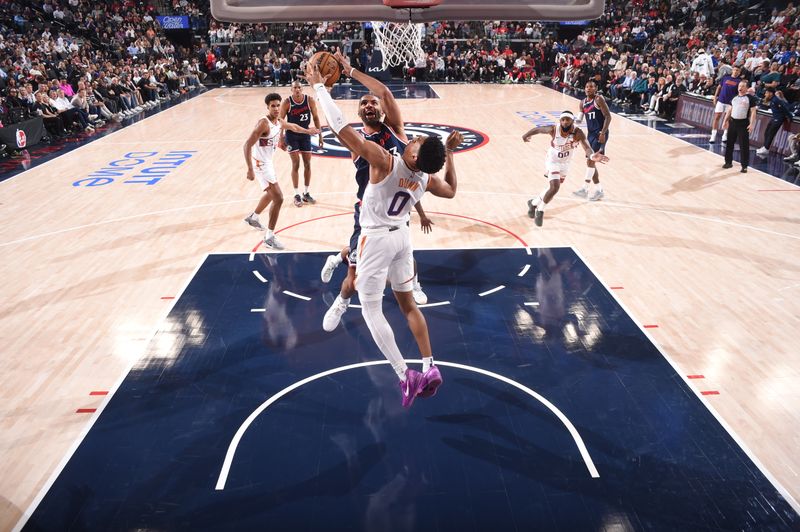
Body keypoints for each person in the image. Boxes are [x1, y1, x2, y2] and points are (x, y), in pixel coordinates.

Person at [307, 60, 462, 408]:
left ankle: (403, 374)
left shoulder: (384, 159)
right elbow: (451, 190)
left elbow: (340, 128)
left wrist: (319, 88)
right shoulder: (424, 177)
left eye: (417, 141)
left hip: (375, 234)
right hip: (402, 236)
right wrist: (449, 153)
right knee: (405, 303)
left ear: (413, 152)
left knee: (371, 310)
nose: (413, 138)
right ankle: (429, 364)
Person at [320, 51, 431, 333]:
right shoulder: (358, 142)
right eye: (364, 103)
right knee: (355, 275)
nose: (369, 104)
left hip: (398, 209)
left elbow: (384, 91)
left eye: (373, 102)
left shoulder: (396, 130)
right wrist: (321, 89)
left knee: (406, 253)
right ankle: (342, 300)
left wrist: (350, 71)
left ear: (381, 110)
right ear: (359, 113)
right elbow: (337, 124)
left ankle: (414, 283)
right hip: (368, 214)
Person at [243, 93, 320, 249]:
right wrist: (250, 169)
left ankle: (254, 217)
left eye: (278, 105)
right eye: (273, 106)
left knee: (271, 194)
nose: (277, 108)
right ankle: (269, 237)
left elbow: (293, 127)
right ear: (267, 107)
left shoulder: (278, 122)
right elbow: (247, 145)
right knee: (278, 198)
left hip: (267, 162)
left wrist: (308, 131)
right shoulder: (263, 124)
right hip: (260, 164)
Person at [523, 110, 609, 227]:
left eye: (567, 119)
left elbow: (586, 147)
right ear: (560, 121)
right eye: (562, 119)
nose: (565, 122)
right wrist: (526, 135)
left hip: (565, 163)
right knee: (555, 186)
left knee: (551, 188)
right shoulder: (554, 129)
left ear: (572, 121)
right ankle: (540, 209)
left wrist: (593, 155)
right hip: (552, 160)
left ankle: (533, 203)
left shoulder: (578, 133)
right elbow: (538, 129)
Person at [279, 80, 323, 207]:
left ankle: (306, 192)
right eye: (295, 88)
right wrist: (281, 138)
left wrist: (320, 135)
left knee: (308, 164)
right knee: (296, 163)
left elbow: (315, 117)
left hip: (305, 135)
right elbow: (281, 120)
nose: (297, 90)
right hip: (291, 135)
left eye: (299, 87)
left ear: (302, 89)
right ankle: (296, 194)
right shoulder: (287, 102)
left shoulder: (309, 100)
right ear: (291, 90)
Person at [574, 80, 610, 201]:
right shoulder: (582, 103)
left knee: (591, 162)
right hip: (590, 135)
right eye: (586, 87)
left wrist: (603, 132)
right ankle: (599, 190)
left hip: (600, 133)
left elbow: (608, 116)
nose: (588, 89)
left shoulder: (599, 99)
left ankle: (585, 189)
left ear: (596, 89)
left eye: (591, 87)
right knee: (590, 161)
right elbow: (579, 120)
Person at [722, 80, 758, 173]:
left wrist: (751, 124)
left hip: (743, 124)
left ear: (746, 88)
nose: (740, 88)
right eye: (739, 86)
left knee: (744, 145)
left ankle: (744, 166)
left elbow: (753, 112)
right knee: (729, 143)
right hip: (733, 123)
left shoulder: (750, 98)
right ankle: (728, 162)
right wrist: (725, 121)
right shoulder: (734, 97)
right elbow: (729, 110)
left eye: (742, 86)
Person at [757, 87, 793, 157]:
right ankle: (765, 147)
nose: (765, 94)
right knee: (766, 132)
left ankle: (766, 149)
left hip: (778, 119)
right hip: (774, 118)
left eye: (766, 93)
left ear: (771, 93)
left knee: (771, 133)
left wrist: (790, 117)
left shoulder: (776, 100)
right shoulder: (772, 99)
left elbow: (784, 108)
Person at [710, 64, 742, 143]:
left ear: (739, 72)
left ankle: (725, 135)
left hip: (730, 103)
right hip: (721, 100)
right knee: (717, 117)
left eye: (737, 70)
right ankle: (713, 136)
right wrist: (715, 97)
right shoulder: (725, 77)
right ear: (732, 70)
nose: (735, 71)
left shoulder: (739, 81)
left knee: (727, 119)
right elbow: (719, 87)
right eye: (734, 70)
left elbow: (739, 93)